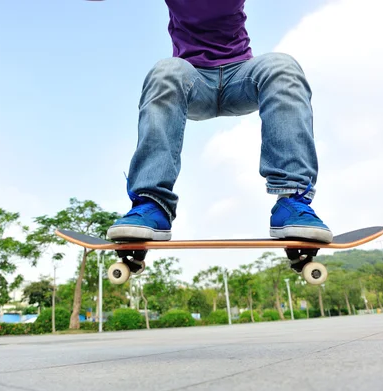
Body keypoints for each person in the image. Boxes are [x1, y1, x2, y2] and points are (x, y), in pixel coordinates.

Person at [106, 0, 332, 243]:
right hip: (193, 80)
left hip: (242, 77)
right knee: (166, 71)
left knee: (282, 66)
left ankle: (292, 200)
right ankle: (151, 204)